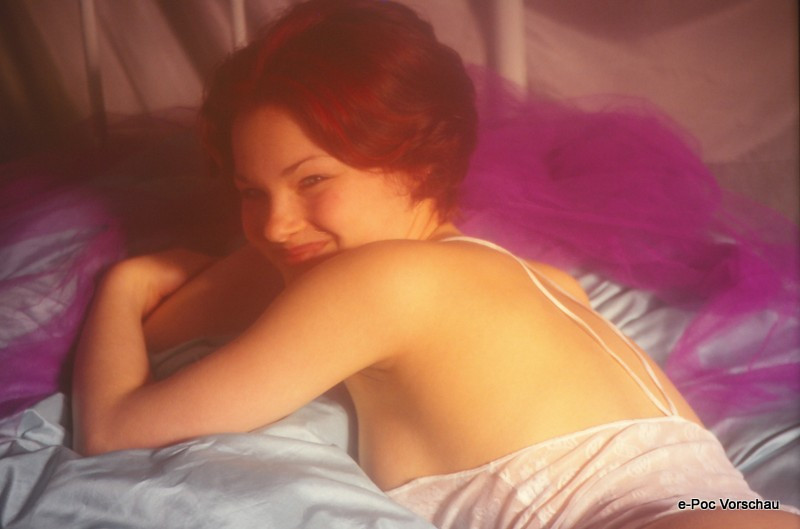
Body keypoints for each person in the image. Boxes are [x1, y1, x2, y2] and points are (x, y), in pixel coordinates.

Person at [72, 1, 799, 528]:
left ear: (418, 163)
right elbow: (192, 323)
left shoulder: (374, 281)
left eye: (313, 179)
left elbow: (113, 425)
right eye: (249, 192)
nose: (274, 224)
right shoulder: (546, 283)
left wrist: (123, 283)